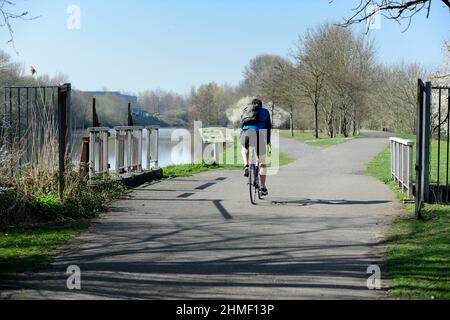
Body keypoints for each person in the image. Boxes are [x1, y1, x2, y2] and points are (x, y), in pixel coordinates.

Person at [240, 98, 272, 196]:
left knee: (245, 148)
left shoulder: (247, 110)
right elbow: (268, 127)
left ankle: (246, 165)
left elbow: (242, 124)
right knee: (262, 162)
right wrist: (268, 142)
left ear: (252, 105)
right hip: (260, 134)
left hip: (246, 132)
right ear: (261, 105)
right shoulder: (265, 111)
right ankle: (262, 186)